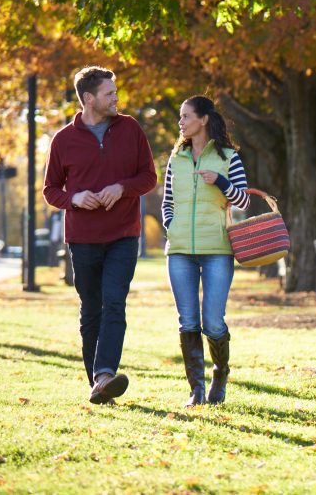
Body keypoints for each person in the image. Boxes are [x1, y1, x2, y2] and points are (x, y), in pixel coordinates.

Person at [42, 66, 157, 404]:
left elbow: (148, 177)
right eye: (109, 93)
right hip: (82, 238)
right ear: (89, 98)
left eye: (115, 91)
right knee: (91, 307)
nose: (116, 98)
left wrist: (122, 188)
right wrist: (73, 199)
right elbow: (50, 190)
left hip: (123, 234)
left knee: (113, 303)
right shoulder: (64, 140)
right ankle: (97, 382)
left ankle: (105, 372)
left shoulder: (131, 129)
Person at [161, 96, 249, 407]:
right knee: (188, 321)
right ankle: (195, 390)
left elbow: (243, 201)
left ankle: (220, 374)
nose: (181, 122)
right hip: (180, 249)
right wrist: (170, 226)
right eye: (180, 117)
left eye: (186, 116)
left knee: (212, 321)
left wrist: (222, 182)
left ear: (203, 120)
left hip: (217, 249)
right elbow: (167, 201)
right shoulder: (177, 158)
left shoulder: (227, 157)